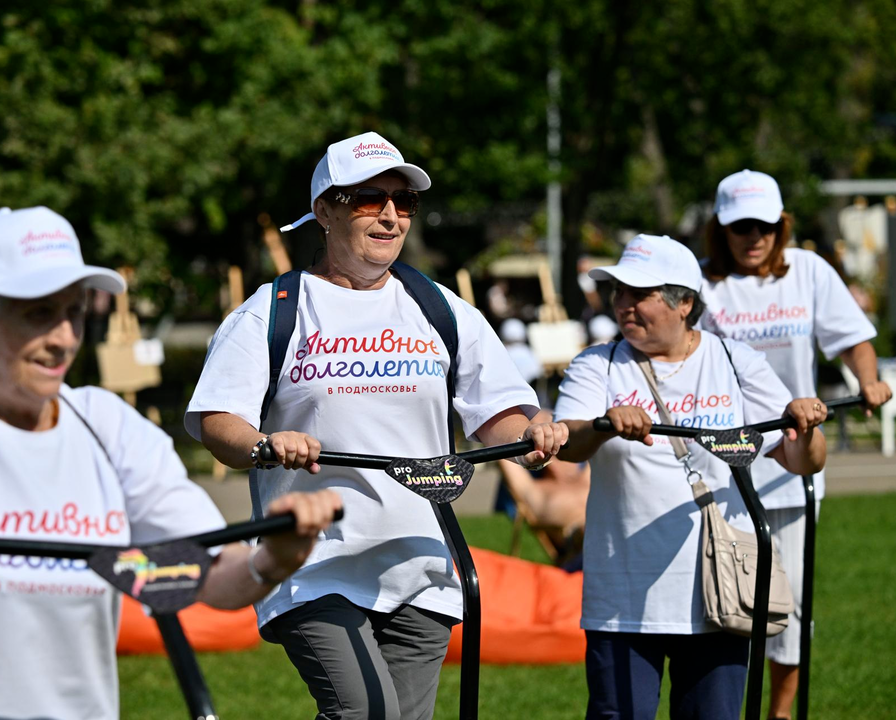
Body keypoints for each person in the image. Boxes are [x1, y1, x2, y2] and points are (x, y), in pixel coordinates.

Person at [185, 130, 568, 720]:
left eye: (403, 201)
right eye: (369, 199)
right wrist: (265, 445)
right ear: (323, 211)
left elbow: (496, 415)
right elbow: (217, 421)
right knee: (363, 712)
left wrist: (531, 434)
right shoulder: (274, 308)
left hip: (422, 564)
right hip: (314, 563)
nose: (390, 216)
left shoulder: (438, 307)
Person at [0, 206, 343, 720]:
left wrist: (275, 557)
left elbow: (209, 576)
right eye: (38, 313)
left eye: (75, 311)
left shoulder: (106, 426)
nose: (64, 337)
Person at [553, 234, 828, 720]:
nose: (623, 304)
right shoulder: (597, 364)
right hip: (623, 598)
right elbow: (568, 441)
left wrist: (803, 426)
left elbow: (804, 460)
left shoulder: (735, 361)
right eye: (618, 292)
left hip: (719, 594)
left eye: (640, 294)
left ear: (685, 304)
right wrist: (602, 425)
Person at [699, 169, 893, 720]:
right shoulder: (699, 282)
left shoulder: (807, 271)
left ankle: (780, 714)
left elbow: (852, 340)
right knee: (726, 599)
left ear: (781, 227)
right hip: (719, 469)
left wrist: (868, 379)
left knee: (794, 605)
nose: (752, 238)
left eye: (763, 226)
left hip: (795, 466)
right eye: (740, 228)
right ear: (721, 230)